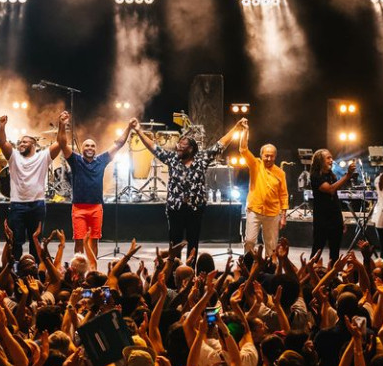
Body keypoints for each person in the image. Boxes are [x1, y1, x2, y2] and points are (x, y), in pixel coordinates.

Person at [130, 118, 237, 259]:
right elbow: (153, 147)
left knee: (193, 243)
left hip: (195, 208)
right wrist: (138, 130)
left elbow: (221, 144)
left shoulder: (202, 159)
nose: (178, 147)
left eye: (183, 145)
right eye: (178, 144)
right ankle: (174, 273)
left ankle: (190, 274)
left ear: (191, 149)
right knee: (175, 244)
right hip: (175, 208)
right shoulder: (172, 158)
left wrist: (236, 128)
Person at [57, 111, 131, 258]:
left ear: (95, 149)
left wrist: (128, 127)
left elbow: (119, 144)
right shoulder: (76, 160)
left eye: (92, 146)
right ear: (82, 149)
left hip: (96, 207)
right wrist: (61, 125)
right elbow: (62, 143)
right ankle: (78, 272)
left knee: (94, 242)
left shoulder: (102, 160)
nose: (90, 148)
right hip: (78, 208)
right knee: (79, 242)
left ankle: (92, 271)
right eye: (87, 146)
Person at [0, 113, 64, 259]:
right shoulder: (14, 157)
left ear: (34, 145)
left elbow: (60, 143)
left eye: (25, 142)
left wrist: (61, 125)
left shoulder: (43, 156)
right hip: (17, 206)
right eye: (20, 142)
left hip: (37, 205)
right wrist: (2, 127)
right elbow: (3, 143)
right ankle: (16, 272)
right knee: (16, 242)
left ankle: (35, 272)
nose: (21, 144)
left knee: (36, 241)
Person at [236, 118, 288, 257]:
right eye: (266, 156)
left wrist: (283, 216)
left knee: (271, 245)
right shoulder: (255, 165)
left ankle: (269, 270)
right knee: (249, 241)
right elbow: (243, 149)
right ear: (261, 155)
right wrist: (245, 131)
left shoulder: (280, 173)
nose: (269, 159)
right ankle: (248, 267)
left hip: (272, 213)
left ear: (275, 156)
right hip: (254, 209)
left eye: (272, 156)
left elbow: (283, 195)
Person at [308, 149, 355, 262]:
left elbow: (335, 199)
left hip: (335, 217)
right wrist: (348, 175)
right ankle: (308, 275)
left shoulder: (331, 175)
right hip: (322, 218)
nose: (331, 160)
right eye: (328, 158)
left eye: (331, 157)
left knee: (335, 251)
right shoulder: (315, 176)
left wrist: (341, 219)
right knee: (317, 249)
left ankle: (333, 276)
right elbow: (331, 190)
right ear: (320, 161)